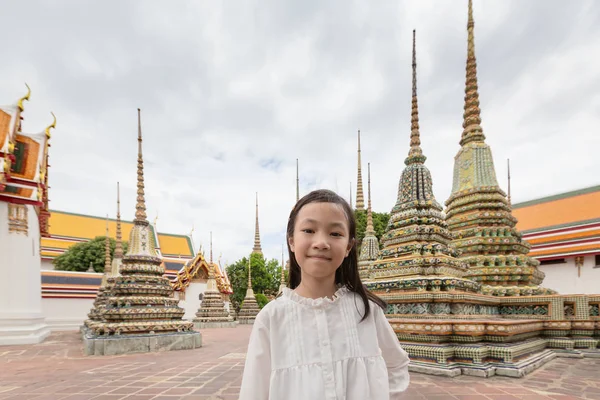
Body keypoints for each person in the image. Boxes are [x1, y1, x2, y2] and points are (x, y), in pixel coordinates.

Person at [239, 189, 410, 400]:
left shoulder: (366, 310)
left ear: (348, 246)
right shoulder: (271, 317)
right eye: (309, 230)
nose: (321, 243)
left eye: (335, 233)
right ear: (291, 241)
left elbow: (397, 364)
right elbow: (254, 390)